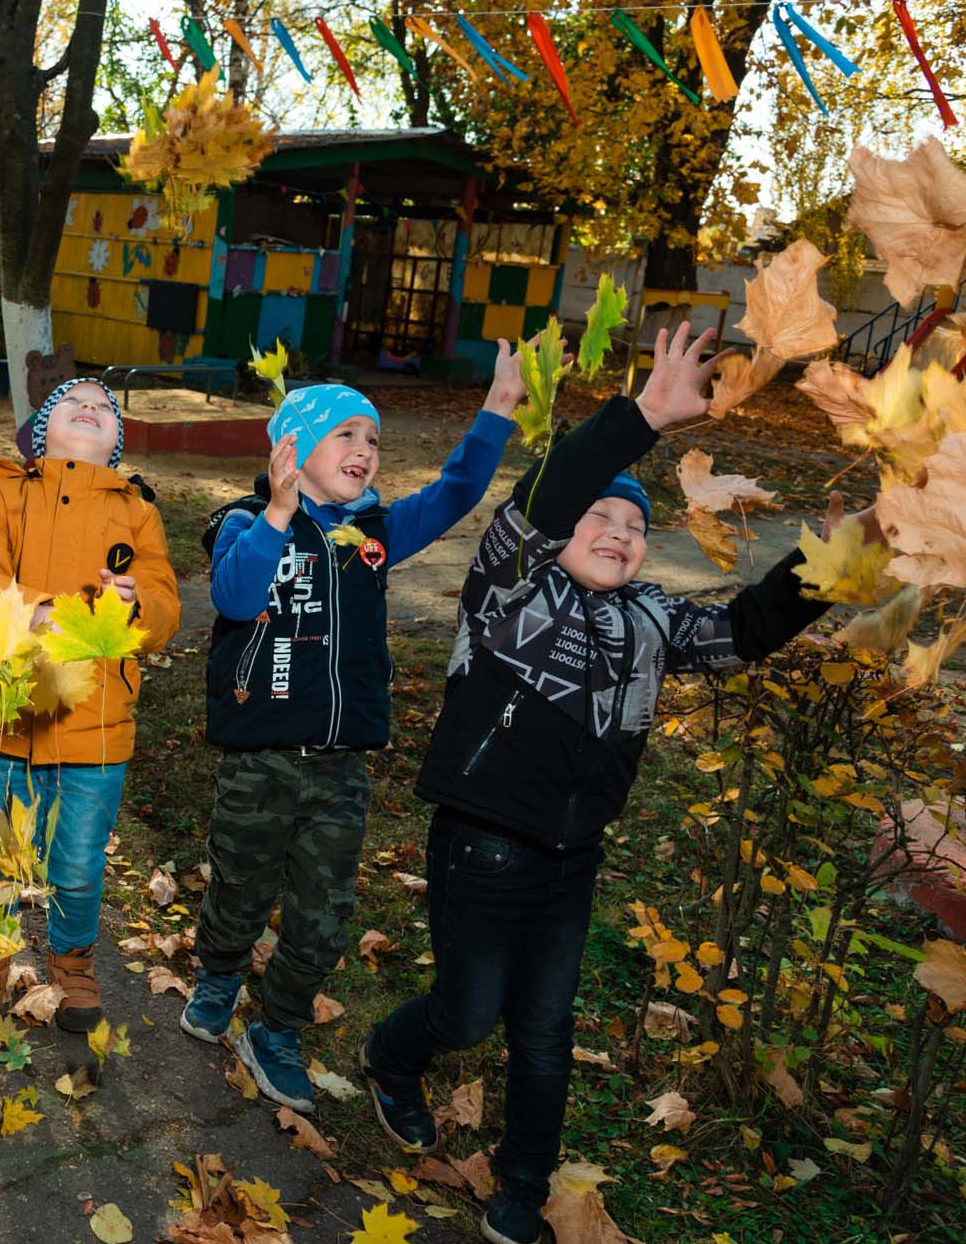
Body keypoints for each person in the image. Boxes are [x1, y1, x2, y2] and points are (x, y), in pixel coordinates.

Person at [360, 326, 871, 1244]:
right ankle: (392, 1056)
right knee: (468, 1014)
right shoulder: (510, 588)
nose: (620, 532)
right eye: (600, 517)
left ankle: (523, 1182)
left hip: (570, 859)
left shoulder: (648, 618)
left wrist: (821, 566)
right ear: (558, 534)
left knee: (546, 1031)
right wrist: (640, 419)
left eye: (635, 525)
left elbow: (743, 631)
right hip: (480, 840)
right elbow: (545, 496)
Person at [180, 350, 526, 1110]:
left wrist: (497, 408)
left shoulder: (374, 536)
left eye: (373, 439)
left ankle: (277, 1029)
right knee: (239, 885)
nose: (366, 451)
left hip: (340, 767)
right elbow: (236, 597)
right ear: (291, 451)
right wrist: (275, 511)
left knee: (325, 912)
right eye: (346, 435)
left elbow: (457, 491)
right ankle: (219, 971)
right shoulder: (246, 523)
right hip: (258, 759)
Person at [0, 377, 181, 1033]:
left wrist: (137, 603)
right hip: (8, 714)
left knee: (77, 863)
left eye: (105, 407)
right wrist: (39, 609)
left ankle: (72, 963)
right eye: (74, 402)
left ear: (117, 439)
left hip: (96, 725)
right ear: (41, 428)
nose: (91, 407)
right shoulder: (2, 490)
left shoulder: (137, 510)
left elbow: (165, 603)